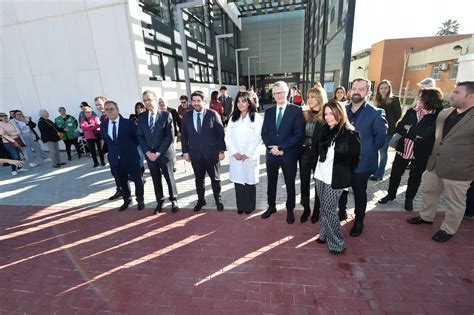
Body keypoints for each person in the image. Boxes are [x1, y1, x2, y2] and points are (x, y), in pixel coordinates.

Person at [407, 81, 474, 242]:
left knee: (455, 203)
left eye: (457, 92)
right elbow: (437, 139)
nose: (452, 94)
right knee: (430, 192)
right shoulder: (445, 114)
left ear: (471, 96)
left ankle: (448, 229)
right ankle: (426, 216)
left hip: (459, 170)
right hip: (435, 164)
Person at [379, 88, 443, 210]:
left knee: (415, 176)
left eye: (421, 97)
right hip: (404, 148)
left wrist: (410, 129)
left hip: (421, 151)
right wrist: (414, 133)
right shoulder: (411, 111)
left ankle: (409, 199)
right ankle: (391, 195)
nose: (418, 99)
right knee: (395, 173)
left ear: (429, 100)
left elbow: (428, 133)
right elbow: (399, 127)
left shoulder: (437, 115)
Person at [340, 78, 387, 237]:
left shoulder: (376, 113)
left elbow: (380, 139)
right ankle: (342, 213)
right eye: (354, 88)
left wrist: (364, 151)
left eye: (361, 89)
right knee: (342, 189)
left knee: (359, 192)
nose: (357, 91)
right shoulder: (342, 109)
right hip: (342, 161)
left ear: (368, 92)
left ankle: (359, 221)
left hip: (362, 163)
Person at [315, 100, 360, 254]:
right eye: (326, 113)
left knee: (329, 210)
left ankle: (337, 243)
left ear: (340, 114)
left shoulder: (350, 133)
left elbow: (354, 160)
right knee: (323, 207)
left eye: (331, 113)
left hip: (336, 179)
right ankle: (323, 233)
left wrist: (343, 172)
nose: (328, 117)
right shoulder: (325, 130)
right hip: (320, 174)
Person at [261, 81, 304, 224]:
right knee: (271, 182)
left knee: (289, 183)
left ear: (288, 93)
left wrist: (282, 148)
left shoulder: (296, 111)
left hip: (288, 154)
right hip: (271, 155)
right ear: (273, 95)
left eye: (282, 92)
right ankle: (271, 206)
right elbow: (264, 134)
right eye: (276, 93)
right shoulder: (268, 112)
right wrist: (272, 148)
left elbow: (298, 135)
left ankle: (290, 209)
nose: (279, 95)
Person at [181, 90, 226, 211]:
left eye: (198, 101)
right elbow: (184, 135)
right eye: (194, 101)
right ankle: (201, 200)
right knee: (199, 180)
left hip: (212, 154)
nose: (196, 103)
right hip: (195, 154)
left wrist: (221, 151)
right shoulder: (187, 116)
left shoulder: (213, 114)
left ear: (203, 101)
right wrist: (185, 152)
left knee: (215, 179)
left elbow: (220, 133)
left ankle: (218, 199)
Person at [137, 90, 179, 214]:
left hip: (164, 154)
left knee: (169, 178)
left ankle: (174, 200)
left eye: (149, 99)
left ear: (155, 100)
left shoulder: (166, 115)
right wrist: (147, 153)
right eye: (145, 100)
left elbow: (169, 137)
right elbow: (140, 136)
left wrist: (158, 153)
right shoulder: (142, 117)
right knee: (156, 179)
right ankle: (160, 201)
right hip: (150, 156)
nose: (147, 103)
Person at [101, 100, 145, 212]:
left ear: (117, 110)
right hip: (115, 159)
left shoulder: (128, 123)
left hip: (131, 157)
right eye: (107, 109)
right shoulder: (104, 125)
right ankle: (127, 199)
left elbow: (137, 139)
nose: (109, 112)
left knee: (137, 180)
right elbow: (107, 141)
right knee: (122, 181)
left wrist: (129, 149)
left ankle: (140, 200)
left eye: (112, 109)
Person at [224, 91, 263, 214]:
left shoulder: (256, 117)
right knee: (239, 182)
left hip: (249, 156)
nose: (241, 104)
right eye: (238, 101)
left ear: (249, 102)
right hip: (236, 157)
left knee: (249, 183)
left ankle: (250, 207)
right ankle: (240, 206)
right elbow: (227, 137)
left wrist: (247, 153)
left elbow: (258, 137)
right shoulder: (233, 118)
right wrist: (234, 152)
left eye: (244, 101)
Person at [299, 87, 326, 223]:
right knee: (304, 183)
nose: (309, 100)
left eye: (313, 97)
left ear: (320, 98)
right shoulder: (305, 114)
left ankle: (317, 210)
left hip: (319, 155)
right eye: (308, 97)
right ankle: (306, 209)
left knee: (318, 185)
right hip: (304, 153)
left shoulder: (326, 116)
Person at [371, 80, 402, 181]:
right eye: (381, 88)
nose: (384, 90)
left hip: (388, 130)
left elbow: (398, 115)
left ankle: (379, 174)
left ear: (389, 88)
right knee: (375, 150)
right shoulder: (377, 100)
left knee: (383, 151)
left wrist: (391, 123)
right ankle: (374, 171)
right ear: (378, 90)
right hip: (376, 129)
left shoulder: (394, 99)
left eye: (386, 87)